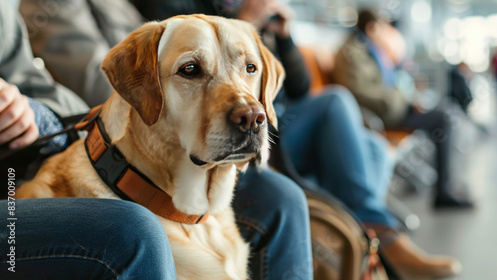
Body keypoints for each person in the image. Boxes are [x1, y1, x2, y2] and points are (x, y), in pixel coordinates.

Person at [129, 0, 462, 279]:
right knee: (335, 101)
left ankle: (363, 237)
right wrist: (244, 25)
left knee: (373, 145)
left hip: (276, 116)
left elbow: (300, 86)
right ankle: (379, 236)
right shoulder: (188, 11)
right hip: (257, 123)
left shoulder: (242, 8)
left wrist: (284, 37)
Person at [18, 0, 313, 279]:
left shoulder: (122, 7)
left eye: (249, 69)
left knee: (284, 194)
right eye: (191, 70)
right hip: (98, 162)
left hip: (196, 202)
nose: (249, 111)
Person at [333, 9, 474, 209]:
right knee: (443, 118)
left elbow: (383, 85)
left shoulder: (367, 49)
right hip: (383, 115)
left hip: (392, 108)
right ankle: (444, 190)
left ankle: (447, 185)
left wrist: (409, 99)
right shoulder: (351, 53)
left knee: (445, 112)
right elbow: (359, 91)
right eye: (382, 27)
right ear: (371, 27)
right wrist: (404, 101)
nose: (385, 32)